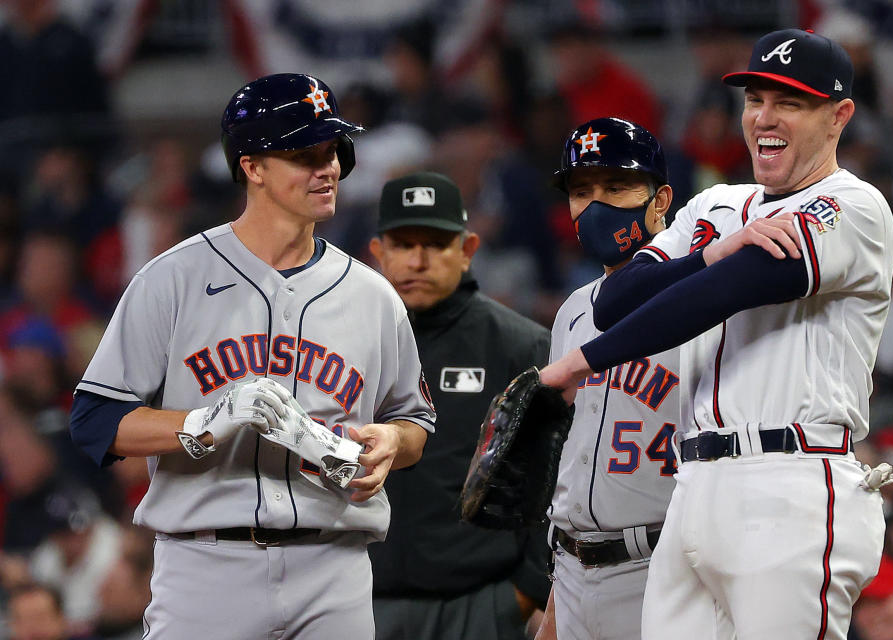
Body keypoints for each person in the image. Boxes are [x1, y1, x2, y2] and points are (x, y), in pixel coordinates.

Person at [541, 29, 893, 640]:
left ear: (839, 116)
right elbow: (618, 298)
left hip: (794, 480)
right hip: (695, 487)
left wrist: (578, 364)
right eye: (755, 98)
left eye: (790, 102)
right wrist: (713, 251)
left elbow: (738, 287)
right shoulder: (720, 206)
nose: (763, 117)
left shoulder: (852, 205)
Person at [68, 73, 437, 639]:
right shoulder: (173, 279)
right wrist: (200, 425)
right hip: (207, 566)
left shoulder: (372, 295)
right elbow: (96, 422)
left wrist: (394, 442)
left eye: (333, 150)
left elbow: (414, 421)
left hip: (333, 566)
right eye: (303, 154)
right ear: (252, 166)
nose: (328, 168)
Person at [366, 171, 551, 639]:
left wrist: (526, 590)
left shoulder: (521, 346)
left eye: (437, 244)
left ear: (467, 250)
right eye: (404, 244)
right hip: (358, 601)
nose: (419, 260)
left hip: (477, 605)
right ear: (378, 252)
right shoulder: (346, 346)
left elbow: (556, 476)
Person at [534, 117, 680, 640]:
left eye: (617, 187)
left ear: (660, 199)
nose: (596, 205)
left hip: (662, 567)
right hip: (572, 568)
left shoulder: (704, 303)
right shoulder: (573, 310)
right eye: (582, 190)